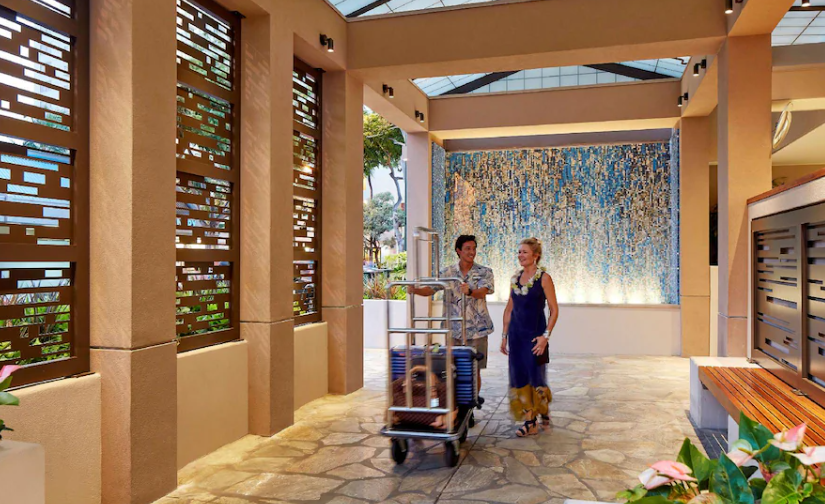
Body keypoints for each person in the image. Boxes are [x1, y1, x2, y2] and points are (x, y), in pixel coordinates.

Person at [410, 235, 494, 392]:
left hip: (478, 330)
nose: (472, 252)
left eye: (474, 248)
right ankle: (455, 402)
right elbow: (430, 290)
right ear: (458, 251)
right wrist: (415, 290)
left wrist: (470, 291)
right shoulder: (447, 272)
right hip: (453, 330)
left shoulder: (485, 272)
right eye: (468, 248)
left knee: (474, 370)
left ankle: (472, 402)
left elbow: (483, 291)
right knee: (452, 369)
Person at [500, 237, 560, 437]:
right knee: (519, 377)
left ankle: (537, 414)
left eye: (524, 252)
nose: (520, 255)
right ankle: (531, 420)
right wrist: (504, 335)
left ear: (536, 255)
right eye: (519, 252)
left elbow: (554, 310)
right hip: (516, 337)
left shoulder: (544, 278)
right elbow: (509, 309)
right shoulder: (515, 279)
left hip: (535, 338)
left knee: (535, 377)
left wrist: (545, 337)